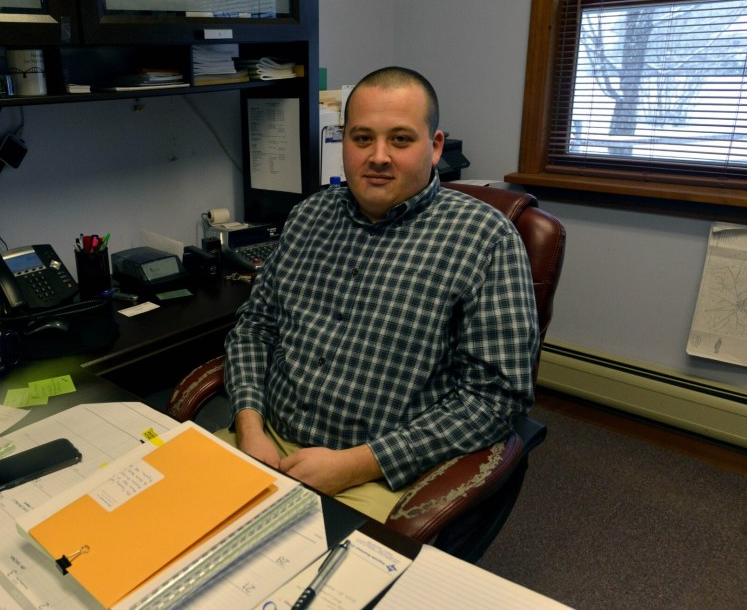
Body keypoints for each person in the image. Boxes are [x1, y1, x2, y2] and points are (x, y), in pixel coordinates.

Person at [221, 66, 540, 522]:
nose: (378, 156)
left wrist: (355, 465)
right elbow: (255, 328)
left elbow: (495, 398)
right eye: (362, 137)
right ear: (343, 141)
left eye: (401, 139)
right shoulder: (308, 216)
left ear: (434, 147)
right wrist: (250, 426)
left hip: (377, 475)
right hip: (263, 440)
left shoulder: (485, 239)